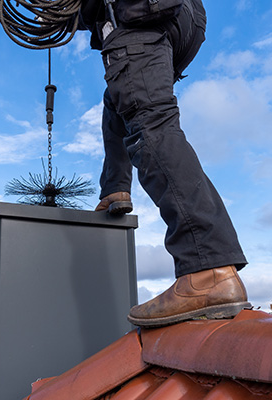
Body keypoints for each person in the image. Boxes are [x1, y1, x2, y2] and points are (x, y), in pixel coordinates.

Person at [79, 0, 252, 327]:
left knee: (150, 124)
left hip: (135, 13)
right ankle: (115, 187)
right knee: (118, 97)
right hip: (183, 17)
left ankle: (208, 270)